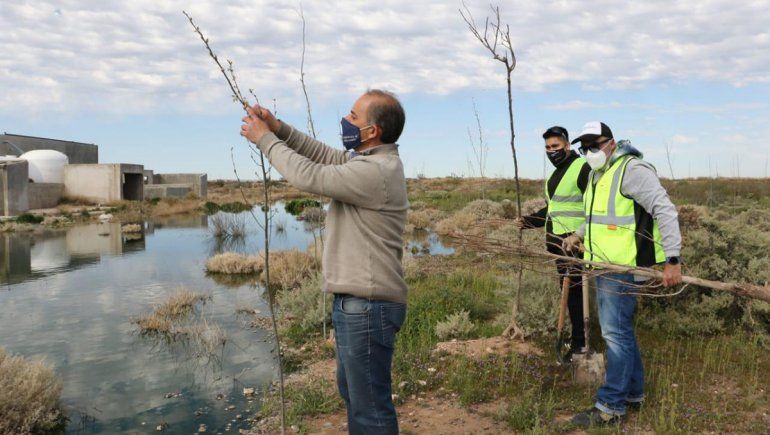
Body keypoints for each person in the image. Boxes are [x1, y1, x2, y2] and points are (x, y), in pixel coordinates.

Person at [240, 89, 408, 434]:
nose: (345, 121)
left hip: (368, 307)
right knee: (358, 399)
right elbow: (320, 155)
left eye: (353, 116)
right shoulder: (368, 162)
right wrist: (279, 128)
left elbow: (310, 176)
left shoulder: (375, 171)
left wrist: (265, 140)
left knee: (370, 411)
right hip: (360, 305)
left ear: (372, 131)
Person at [563, 121, 682, 427]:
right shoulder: (596, 175)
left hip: (624, 268)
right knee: (621, 333)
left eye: (595, 145)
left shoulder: (631, 170)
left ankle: (610, 406)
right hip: (604, 265)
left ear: (612, 143)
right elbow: (596, 217)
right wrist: (579, 234)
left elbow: (664, 210)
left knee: (614, 335)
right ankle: (634, 394)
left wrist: (673, 259)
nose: (590, 152)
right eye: (584, 147)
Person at [515, 126, 591, 357]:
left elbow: (594, 208)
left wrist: (579, 235)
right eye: (547, 147)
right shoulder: (555, 174)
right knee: (568, 293)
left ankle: (580, 343)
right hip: (558, 244)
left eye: (556, 146)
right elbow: (553, 209)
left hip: (575, 245)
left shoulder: (582, 168)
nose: (551, 151)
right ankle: (576, 337)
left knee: (576, 295)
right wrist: (528, 221)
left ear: (567, 145)